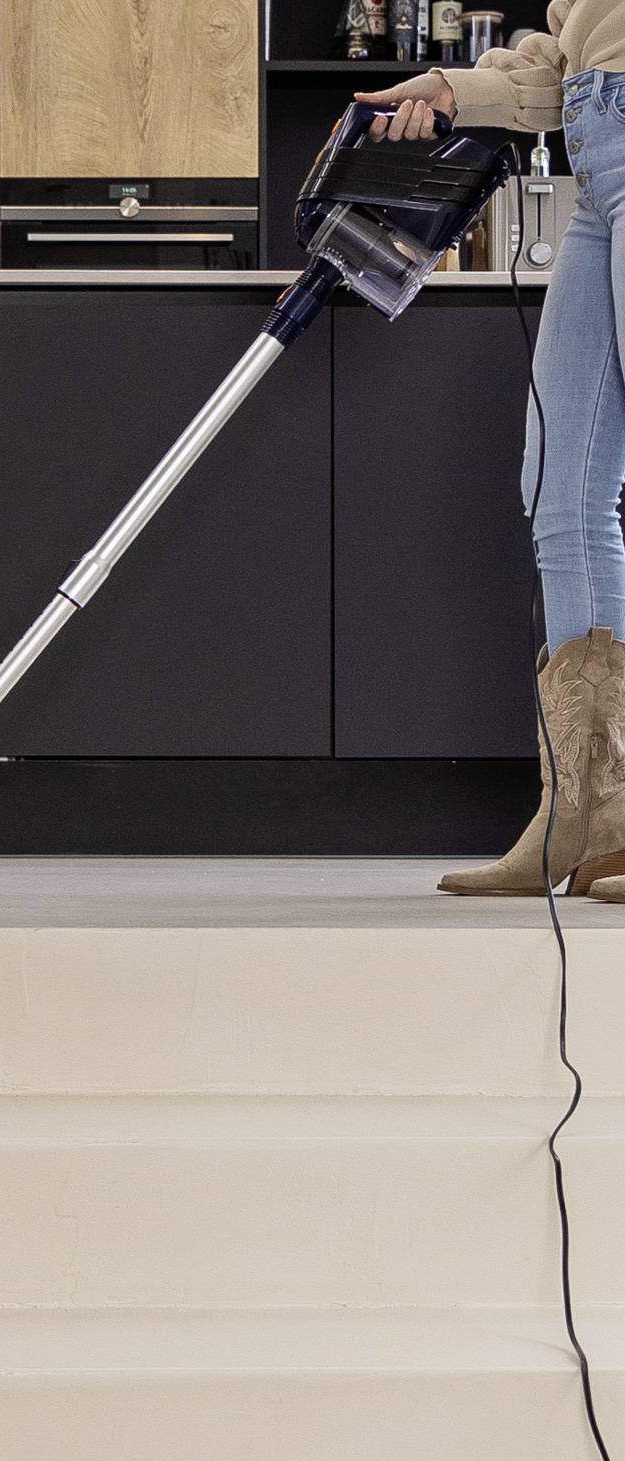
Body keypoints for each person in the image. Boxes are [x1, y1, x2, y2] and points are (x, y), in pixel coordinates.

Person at [354, 1, 625, 901]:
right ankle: (590, 814)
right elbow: (567, 53)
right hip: (600, 178)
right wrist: (450, 85)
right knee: (559, 489)